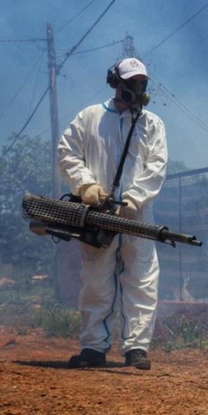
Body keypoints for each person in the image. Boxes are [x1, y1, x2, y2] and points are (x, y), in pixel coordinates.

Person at [57, 57, 168, 370]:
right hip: (97, 212)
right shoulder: (90, 118)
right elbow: (67, 152)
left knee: (142, 279)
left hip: (137, 216)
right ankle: (93, 347)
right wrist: (86, 185)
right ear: (115, 83)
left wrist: (134, 198)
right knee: (95, 279)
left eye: (141, 83)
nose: (137, 88)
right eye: (131, 82)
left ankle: (136, 348)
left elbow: (157, 166)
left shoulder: (151, 123)